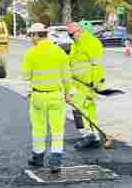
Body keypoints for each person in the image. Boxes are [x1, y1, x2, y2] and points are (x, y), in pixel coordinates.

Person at [22, 22, 73, 173]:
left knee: (39, 129)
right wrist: (68, 94)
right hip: (56, 96)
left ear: (37, 35)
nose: (31, 38)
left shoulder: (31, 53)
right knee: (57, 130)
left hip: (38, 97)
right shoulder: (59, 52)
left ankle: (37, 158)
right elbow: (67, 76)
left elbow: (26, 77)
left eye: (31, 35)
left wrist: (29, 91)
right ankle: (55, 162)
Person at [67, 21, 106, 150]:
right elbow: (72, 63)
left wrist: (96, 83)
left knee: (80, 109)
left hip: (88, 84)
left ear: (80, 31)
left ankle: (87, 134)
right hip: (77, 84)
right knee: (86, 110)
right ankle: (95, 137)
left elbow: (97, 65)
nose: (71, 37)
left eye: (72, 34)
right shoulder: (75, 45)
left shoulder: (92, 42)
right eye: (69, 35)